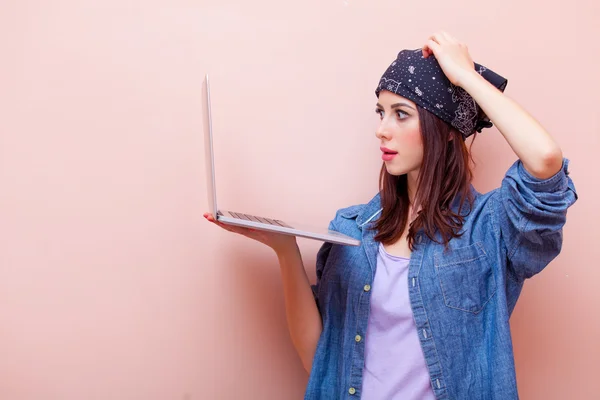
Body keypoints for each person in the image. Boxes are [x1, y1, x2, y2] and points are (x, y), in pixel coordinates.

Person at [204, 31, 578, 400]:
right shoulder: (352, 230)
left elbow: (545, 160)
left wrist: (466, 76)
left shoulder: (490, 227)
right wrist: (285, 250)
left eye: (402, 114)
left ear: (447, 132)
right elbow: (318, 358)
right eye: (381, 113)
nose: (382, 130)